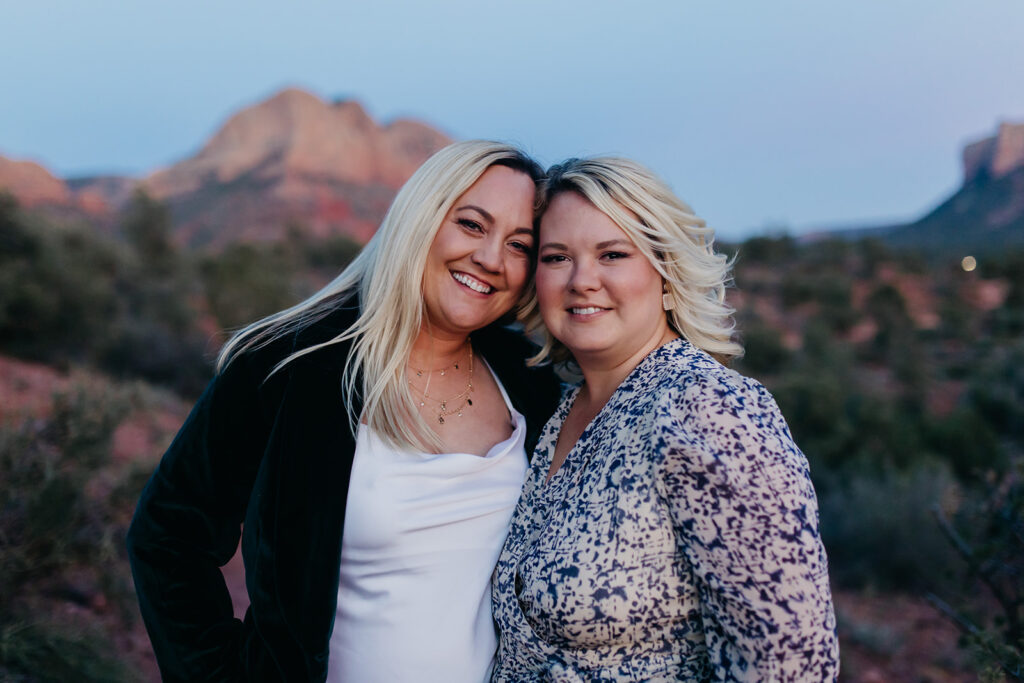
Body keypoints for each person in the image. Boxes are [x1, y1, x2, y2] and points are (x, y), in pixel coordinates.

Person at [126, 140, 563, 682]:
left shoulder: (534, 383)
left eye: (519, 245)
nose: (491, 259)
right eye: (472, 225)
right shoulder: (288, 366)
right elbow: (168, 536)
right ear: (420, 220)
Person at [491, 157, 840, 681]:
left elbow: (788, 665)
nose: (583, 280)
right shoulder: (560, 408)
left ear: (666, 270)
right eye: (557, 256)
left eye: (613, 254)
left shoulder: (708, 410)